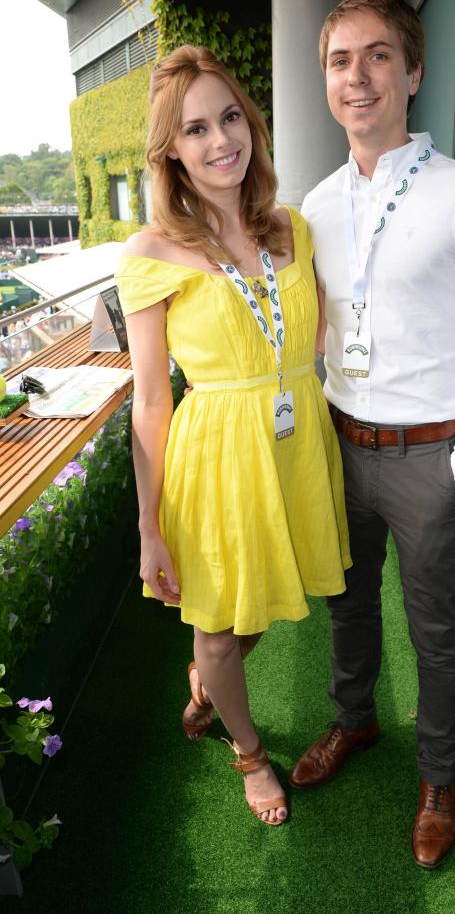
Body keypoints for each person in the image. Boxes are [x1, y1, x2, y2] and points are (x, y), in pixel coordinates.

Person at [287, 0, 455, 868]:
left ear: (412, 71)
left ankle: (439, 775)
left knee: (433, 631)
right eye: (340, 61)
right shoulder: (313, 204)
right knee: (346, 610)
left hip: (430, 456)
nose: (358, 78)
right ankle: (354, 723)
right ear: (326, 82)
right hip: (341, 447)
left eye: (377, 56)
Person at [115, 45, 352, 827]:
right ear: (170, 153)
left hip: (293, 446)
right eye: (195, 130)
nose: (221, 141)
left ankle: (203, 684)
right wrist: (149, 526)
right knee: (218, 625)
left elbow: (339, 326)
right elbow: (151, 399)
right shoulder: (150, 254)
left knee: (252, 613)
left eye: (230, 118)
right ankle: (248, 754)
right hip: (215, 454)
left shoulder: (293, 228)